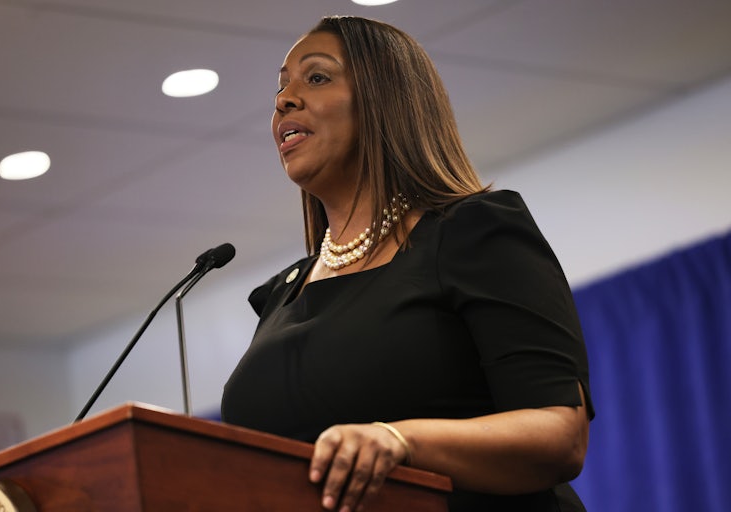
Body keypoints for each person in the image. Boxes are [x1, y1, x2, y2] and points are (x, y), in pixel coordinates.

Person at [221, 15, 594, 512]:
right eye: (281, 85)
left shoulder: (473, 231)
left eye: (315, 77)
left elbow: (558, 433)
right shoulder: (282, 295)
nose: (283, 99)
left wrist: (400, 441)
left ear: (384, 99)